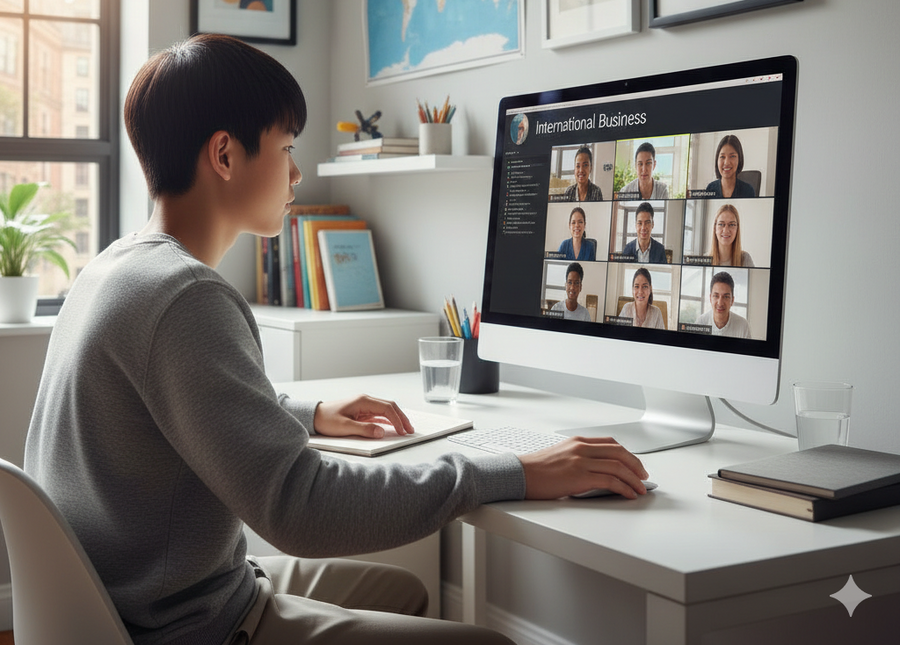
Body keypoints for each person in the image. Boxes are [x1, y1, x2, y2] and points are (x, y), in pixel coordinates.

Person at [24, 34, 649, 645]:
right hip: (194, 624)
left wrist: (310, 414)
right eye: (286, 147)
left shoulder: (116, 268)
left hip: (147, 599)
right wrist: (512, 472)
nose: (296, 173)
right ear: (224, 155)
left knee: (403, 593)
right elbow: (301, 509)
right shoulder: (187, 296)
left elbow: (183, 412)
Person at [697, 271, 751, 338]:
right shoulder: (701, 322)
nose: (720, 303)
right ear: (710, 298)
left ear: (732, 300)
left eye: (726, 297)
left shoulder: (743, 326)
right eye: (716, 296)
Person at [705, 134, 756, 199]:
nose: (726, 162)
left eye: (732, 156)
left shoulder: (748, 190)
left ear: (739, 159)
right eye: (722, 157)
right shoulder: (710, 188)